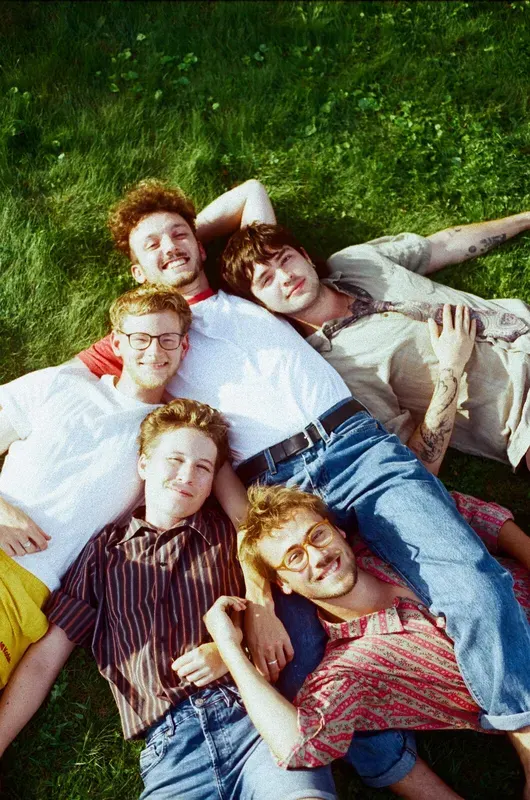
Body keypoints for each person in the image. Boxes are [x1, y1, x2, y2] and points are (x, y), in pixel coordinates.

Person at [75, 178, 530, 792]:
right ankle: (419, 784)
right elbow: (68, 382)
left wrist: (183, 239)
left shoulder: (253, 292)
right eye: (150, 246)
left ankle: (523, 734)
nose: (170, 247)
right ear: (135, 271)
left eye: (179, 235)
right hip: (274, 488)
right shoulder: (150, 339)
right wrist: (260, 597)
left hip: (356, 448)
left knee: (469, 580)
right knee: (296, 662)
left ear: (203, 246)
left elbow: (250, 194)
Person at [0, 400, 337, 800]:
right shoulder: (104, 554)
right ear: (143, 464)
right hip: (171, 750)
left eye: (203, 468)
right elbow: (43, 661)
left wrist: (230, 653)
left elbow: (266, 567)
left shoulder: (232, 535)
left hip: (253, 715)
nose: (186, 476)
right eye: (174, 460)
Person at [204, 484, 530, 799]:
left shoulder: (388, 539)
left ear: (338, 530)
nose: (317, 556)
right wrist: (230, 648)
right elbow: (298, 746)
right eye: (295, 558)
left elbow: (465, 511)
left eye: (317, 535)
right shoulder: (351, 670)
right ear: (282, 583)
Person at [220, 212, 530, 472]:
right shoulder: (335, 373)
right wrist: (451, 366)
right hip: (519, 413)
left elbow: (442, 245)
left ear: (305, 256)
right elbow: (419, 464)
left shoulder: (356, 261)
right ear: (261, 306)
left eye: (285, 259)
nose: (285, 276)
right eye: (266, 280)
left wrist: (525, 219)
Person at [0, 284, 190, 687]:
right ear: (117, 343)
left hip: (23, 590)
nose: (154, 350)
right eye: (140, 338)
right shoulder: (60, 384)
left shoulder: (170, 437)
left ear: (183, 347)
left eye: (167, 339)